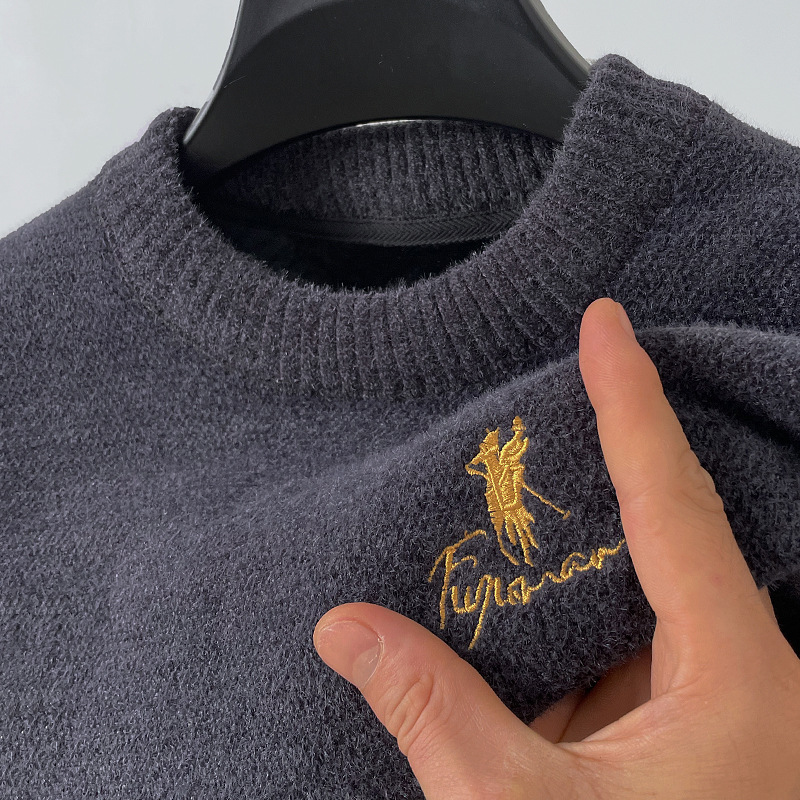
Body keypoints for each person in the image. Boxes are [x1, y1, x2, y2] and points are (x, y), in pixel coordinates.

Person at [313, 297, 800, 799]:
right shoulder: (489, 464)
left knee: (522, 538)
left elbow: (513, 451)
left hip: (521, 511)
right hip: (508, 511)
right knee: (516, 538)